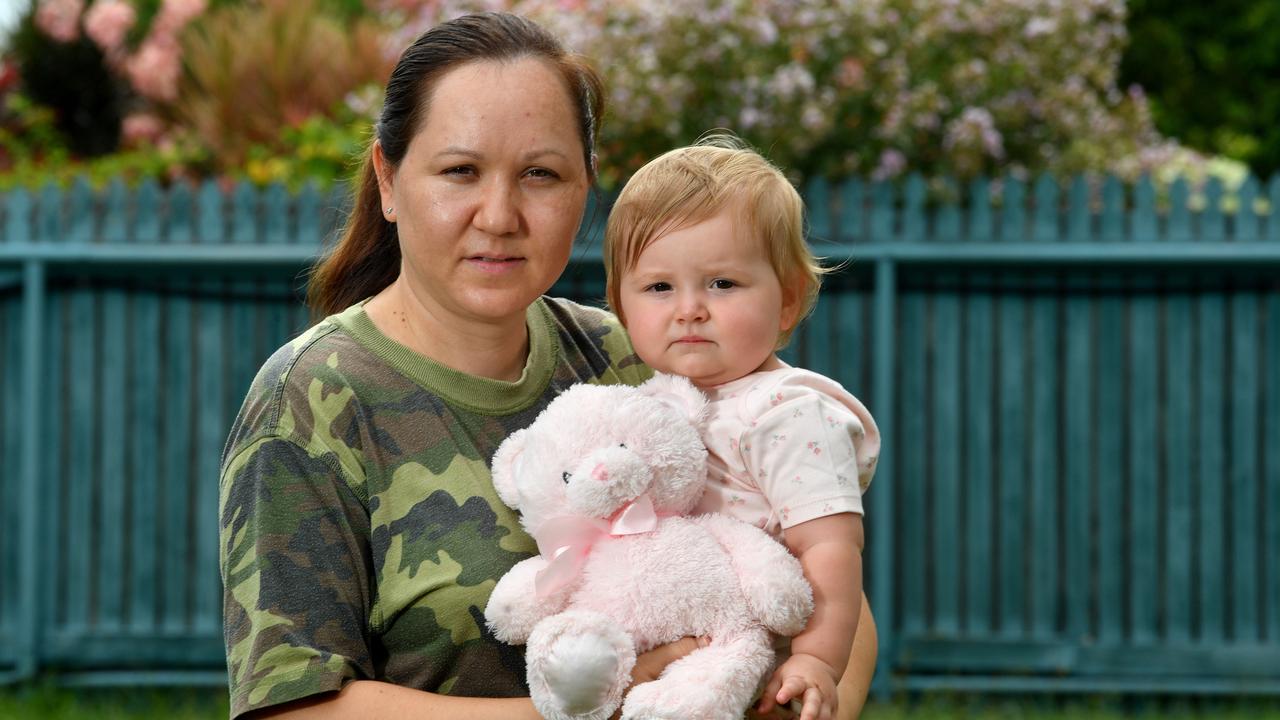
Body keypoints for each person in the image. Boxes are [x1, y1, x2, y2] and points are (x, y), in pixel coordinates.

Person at [218, 11, 876, 720]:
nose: (499, 214)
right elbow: (292, 708)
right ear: (388, 179)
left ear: (584, 188)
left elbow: (830, 590)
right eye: (460, 171)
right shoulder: (313, 401)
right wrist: (598, 705)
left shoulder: (633, 357)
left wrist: (801, 695)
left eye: (540, 174)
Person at [603, 139, 880, 720]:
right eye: (659, 287)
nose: (689, 309)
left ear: (787, 302)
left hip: (755, 669)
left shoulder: (784, 413)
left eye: (722, 284)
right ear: (620, 309)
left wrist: (816, 663)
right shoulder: (646, 406)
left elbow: (830, 546)